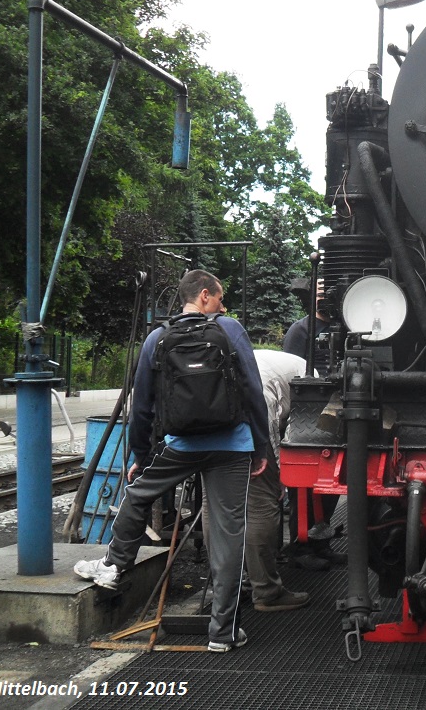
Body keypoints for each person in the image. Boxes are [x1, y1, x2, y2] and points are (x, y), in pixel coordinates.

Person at [74, 269, 270, 653]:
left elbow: (142, 405)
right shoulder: (229, 329)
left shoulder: (156, 338)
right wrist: (261, 447)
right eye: (218, 297)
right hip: (232, 445)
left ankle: (114, 566)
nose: (222, 304)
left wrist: (142, 458)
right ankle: (223, 633)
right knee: (230, 533)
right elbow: (252, 389)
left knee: (136, 494)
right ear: (203, 295)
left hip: (181, 445)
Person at [247, 349, 310, 611]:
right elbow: (271, 426)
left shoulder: (285, 366)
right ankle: (266, 591)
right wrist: (281, 474)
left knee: (216, 506)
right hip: (254, 421)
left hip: (214, 427)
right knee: (263, 504)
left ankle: (230, 582)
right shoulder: (308, 378)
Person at [283, 277, 329, 376]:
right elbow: (289, 370)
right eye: (321, 295)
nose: (325, 300)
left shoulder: (347, 327)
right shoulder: (300, 330)